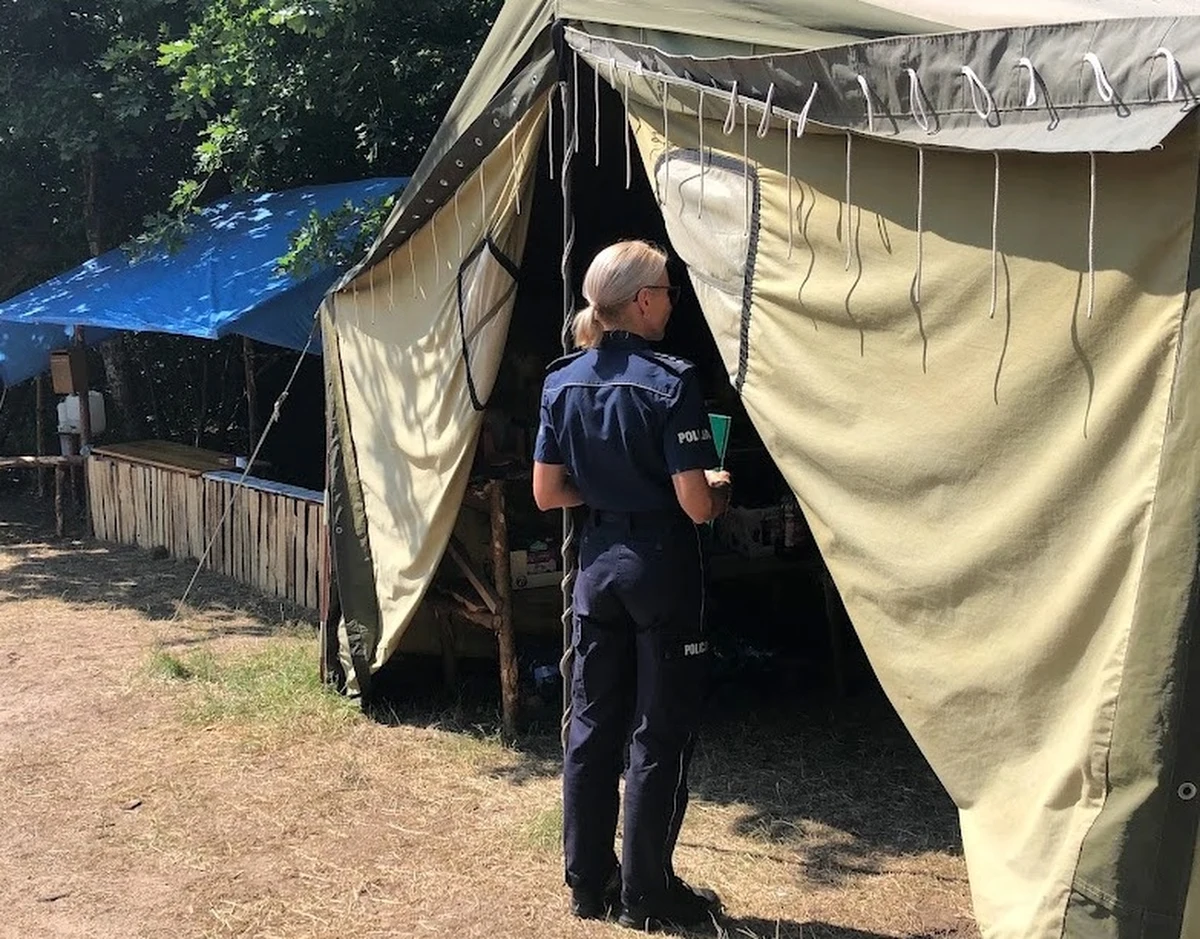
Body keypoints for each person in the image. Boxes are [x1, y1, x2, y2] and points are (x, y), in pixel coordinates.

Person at [532, 239, 732, 931]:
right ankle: (647, 892)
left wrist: (612, 483)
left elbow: (546, 491)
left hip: (595, 565)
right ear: (643, 299)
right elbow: (694, 503)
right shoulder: (673, 383)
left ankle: (588, 882)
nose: (673, 302)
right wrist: (718, 485)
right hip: (661, 566)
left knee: (591, 726)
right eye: (669, 290)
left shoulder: (561, 381)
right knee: (659, 731)